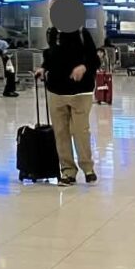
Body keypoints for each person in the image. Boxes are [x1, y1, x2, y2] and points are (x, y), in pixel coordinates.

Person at [36, 26, 99, 186]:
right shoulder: (53, 32)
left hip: (81, 90)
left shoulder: (82, 33)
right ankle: (68, 171)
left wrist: (83, 67)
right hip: (56, 90)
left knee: (80, 130)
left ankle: (87, 167)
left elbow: (95, 59)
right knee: (60, 132)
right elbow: (51, 56)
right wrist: (44, 68)